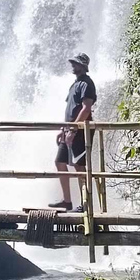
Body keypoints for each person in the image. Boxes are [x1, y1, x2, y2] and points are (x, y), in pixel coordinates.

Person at [48, 53, 97, 212]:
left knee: (79, 166)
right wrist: (63, 128)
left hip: (80, 130)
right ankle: (67, 201)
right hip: (69, 129)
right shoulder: (75, 84)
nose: (73, 66)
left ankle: (85, 204)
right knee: (59, 162)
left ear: (83, 66)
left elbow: (86, 108)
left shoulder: (87, 84)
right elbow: (70, 109)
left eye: (75, 64)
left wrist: (74, 129)